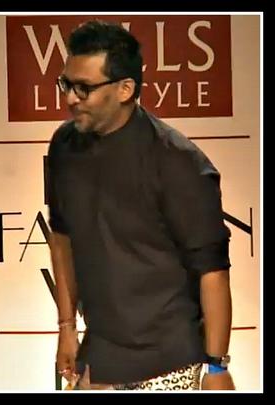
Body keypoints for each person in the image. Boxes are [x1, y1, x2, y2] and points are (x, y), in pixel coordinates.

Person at [47, 20, 235, 390]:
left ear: (125, 89)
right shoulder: (64, 148)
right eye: (66, 84)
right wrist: (67, 327)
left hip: (168, 363)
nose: (70, 98)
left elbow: (212, 270)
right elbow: (62, 237)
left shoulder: (177, 161)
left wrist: (216, 367)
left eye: (84, 88)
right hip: (99, 355)